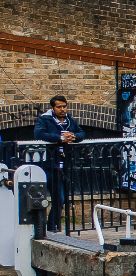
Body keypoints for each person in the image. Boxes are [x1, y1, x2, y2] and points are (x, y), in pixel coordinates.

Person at [34, 95, 86, 232]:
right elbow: (39, 134)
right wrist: (60, 138)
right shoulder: (45, 119)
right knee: (55, 197)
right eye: (59, 107)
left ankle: (53, 226)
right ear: (53, 107)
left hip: (65, 164)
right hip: (50, 164)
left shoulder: (69, 120)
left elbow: (81, 132)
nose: (62, 109)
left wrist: (74, 137)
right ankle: (48, 227)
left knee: (61, 198)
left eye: (64, 106)